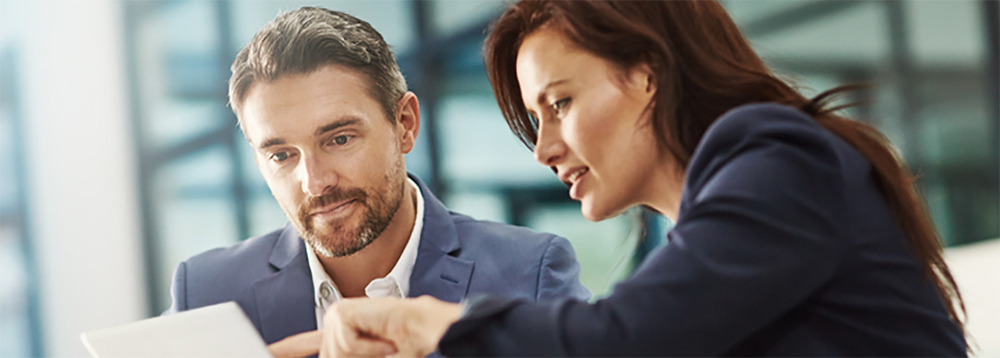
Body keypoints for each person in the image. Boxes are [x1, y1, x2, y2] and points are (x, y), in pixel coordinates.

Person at [273, 0, 970, 356]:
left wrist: (422, 323)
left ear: (647, 72)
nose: (543, 148)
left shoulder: (778, 157)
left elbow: (620, 342)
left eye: (561, 103)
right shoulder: (687, 237)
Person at [162, 5, 591, 351]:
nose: (314, 181)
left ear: (404, 123)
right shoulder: (205, 293)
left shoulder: (528, 274)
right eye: (280, 155)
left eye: (339, 138)